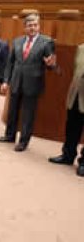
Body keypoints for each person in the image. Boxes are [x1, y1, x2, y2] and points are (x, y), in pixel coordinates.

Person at [0, 13, 56, 151]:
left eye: (35, 25)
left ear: (39, 26)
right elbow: (10, 63)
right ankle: (9, 135)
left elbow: (51, 64)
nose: (33, 28)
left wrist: (50, 64)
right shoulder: (17, 41)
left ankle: (23, 141)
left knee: (28, 114)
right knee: (12, 111)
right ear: (25, 27)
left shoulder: (47, 42)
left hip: (32, 84)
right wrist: (6, 80)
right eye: (30, 26)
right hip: (16, 81)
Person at [49, 43, 84, 176]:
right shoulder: (81, 48)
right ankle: (68, 155)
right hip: (75, 94)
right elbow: (76, 70)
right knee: (71, 127)